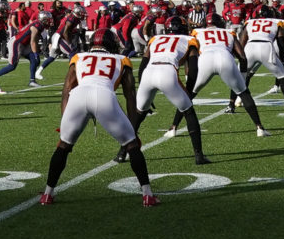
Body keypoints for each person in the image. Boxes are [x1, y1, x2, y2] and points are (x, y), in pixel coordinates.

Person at [37, 43, 157, 208]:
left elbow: (66, 89)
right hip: (104, 96)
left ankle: (47, 194)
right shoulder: (122, 59)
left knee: (63, 146)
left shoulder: (79, 57)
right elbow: (130, 94)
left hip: (78, 96)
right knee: (132, 145)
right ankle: (148, 195)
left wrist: (65, 120)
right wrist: (132, 127)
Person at [127, 24, 212, 166]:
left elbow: (143, 63)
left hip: (149, 72)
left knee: (139, 114)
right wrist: (189, 90)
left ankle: (122, 152)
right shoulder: (190, 40)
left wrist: (143, 86)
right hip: (167, 71)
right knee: (189, 111)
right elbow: (193, 68)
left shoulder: (155, 39)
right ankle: (199, 155)